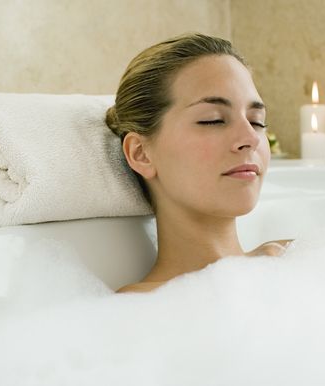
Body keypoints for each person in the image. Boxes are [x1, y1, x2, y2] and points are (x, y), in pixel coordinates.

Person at [106, 33, 294, 294]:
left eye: (256, 121)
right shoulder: (142, 307)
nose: (251, 138)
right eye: (213, 119)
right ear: (141, 154)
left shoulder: (300, 260)